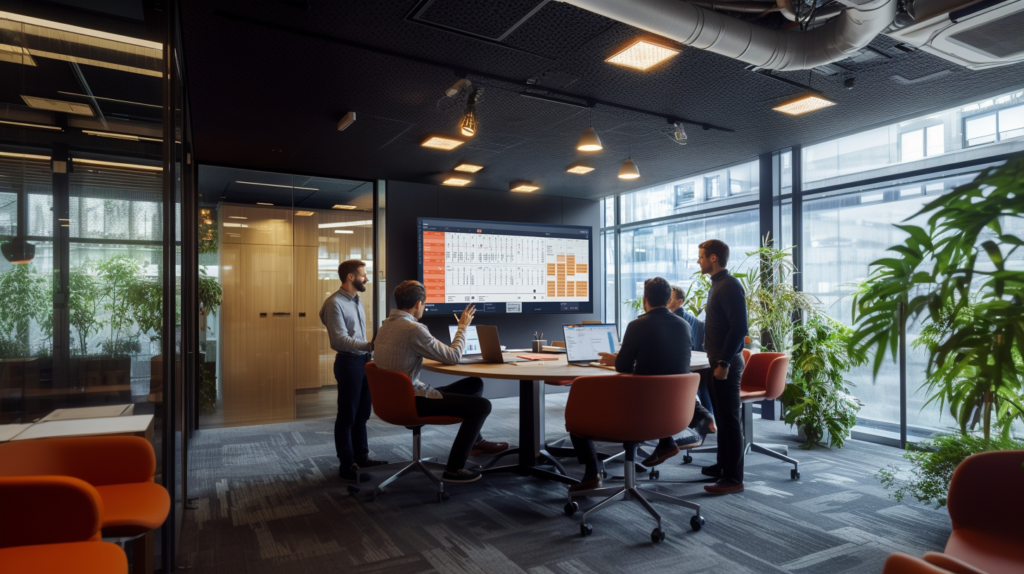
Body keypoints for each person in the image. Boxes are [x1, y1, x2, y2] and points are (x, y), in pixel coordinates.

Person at [373, 280, 508, 483]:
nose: (424, 308)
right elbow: (453, 357)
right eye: (425, 304)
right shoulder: (413, 329)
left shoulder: (386, 325)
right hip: (411, 400)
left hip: (393, 398)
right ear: (418, 304)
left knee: (474, 384)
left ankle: (475, 442)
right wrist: (462, 327)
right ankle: (454, 469)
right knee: (482, 406)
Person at [568, 277, 692, 493]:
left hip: (636, 412)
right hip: (673, 413)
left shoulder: (637, 325)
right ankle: (666, 441)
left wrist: (613, 360)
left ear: (645, 299)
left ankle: (591, 474)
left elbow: (622, 366)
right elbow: (665, 360)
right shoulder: (684, 325)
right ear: (669, 298)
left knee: (578, 415)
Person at [321, 260, 388, 482]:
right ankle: (347, 464)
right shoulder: (334, 303)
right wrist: (370, 345)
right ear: (350, 277)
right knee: (347, 416)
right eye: (363, 274)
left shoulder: (357, 300)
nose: (367, 278)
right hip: (349, 363)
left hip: (364, 362)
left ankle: (362, 457)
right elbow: (339, 340)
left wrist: (369, 350)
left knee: (362, 416)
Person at [698, 240, 748, 495]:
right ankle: (723, 465)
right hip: (716, 360)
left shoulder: (729, 286)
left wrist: (724, 362)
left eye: (701, 257)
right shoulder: (718, 284)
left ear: (713, 258)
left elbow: (739, 327)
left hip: (724, 362)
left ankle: (733, 478)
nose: (699, 261)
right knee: (723, 418)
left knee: (729, 421)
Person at [668, 286, 717, 438]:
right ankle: (706, 418)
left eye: (670, 298)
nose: (667, 300)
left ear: (680, 301)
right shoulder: (683, 317)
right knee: (702, 385)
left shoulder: (677, 319)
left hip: (689, 368)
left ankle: (682, 423)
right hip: (701, 366)